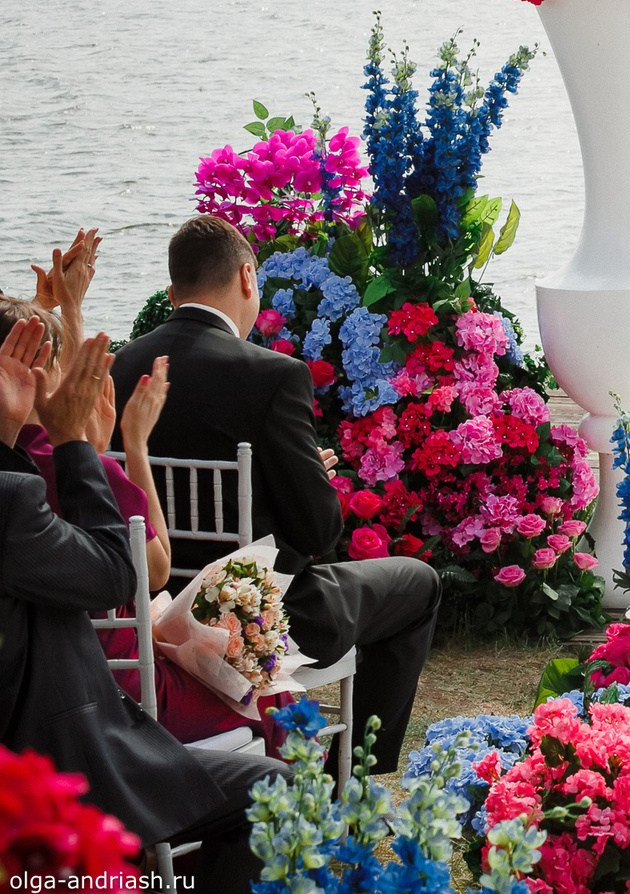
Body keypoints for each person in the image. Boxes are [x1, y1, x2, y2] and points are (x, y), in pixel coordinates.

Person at [112, 215, 440, 771]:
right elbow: (318, 532)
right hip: (264, 618)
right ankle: (358, 775)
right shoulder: (273, 374)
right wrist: (311, 475)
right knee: (420, 582)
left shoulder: (122, 367)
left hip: (153, 612)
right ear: (246, 277)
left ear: (173, 293)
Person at [1, 317, 286, 894]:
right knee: (275, 778)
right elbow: (128, 572)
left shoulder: (23, 467)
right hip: (52, 759)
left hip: (81, 705)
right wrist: (82, 445)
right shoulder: (25, 488)